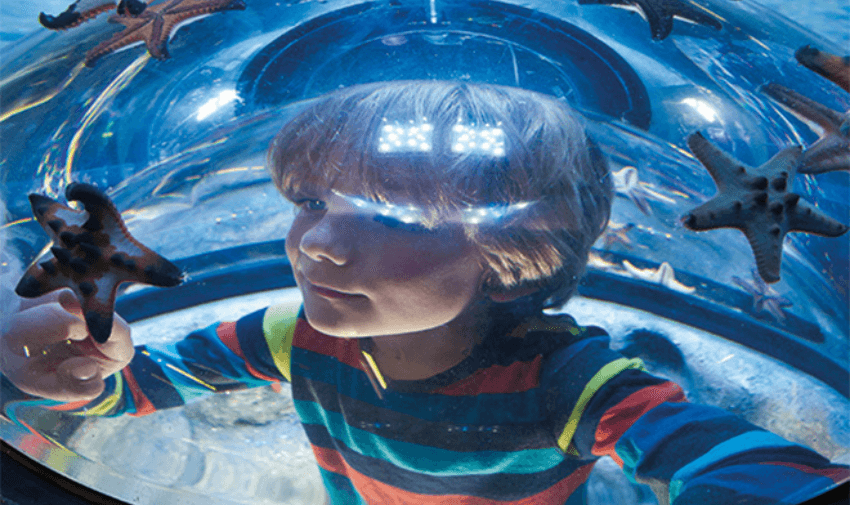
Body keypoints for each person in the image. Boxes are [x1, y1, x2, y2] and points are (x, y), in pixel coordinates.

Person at [1, 81, 847, 504]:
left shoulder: (568, 379)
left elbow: (723, 455)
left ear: (514, 252)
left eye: (398, 220)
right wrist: (84, 367)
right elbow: (135, 391)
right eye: (309, 203)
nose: (318, 243)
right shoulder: (293, 333)